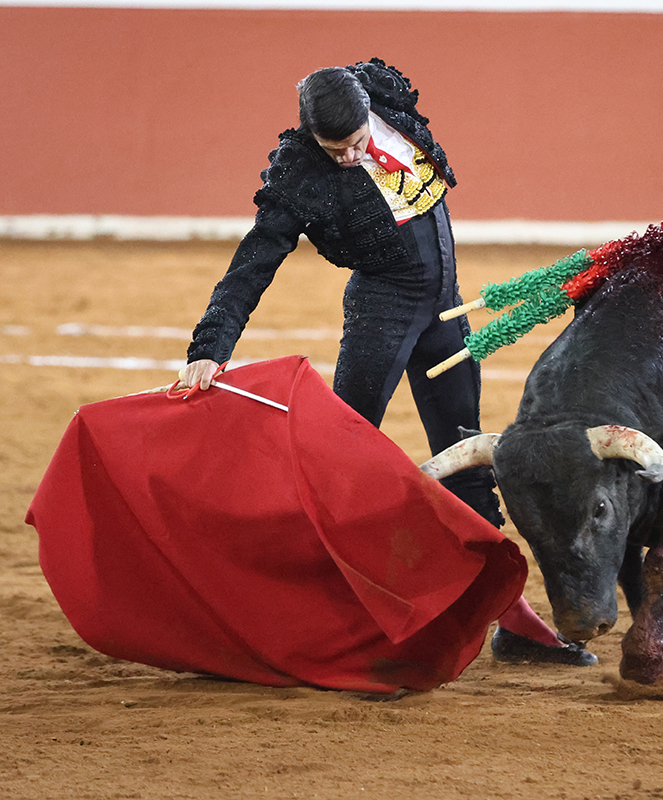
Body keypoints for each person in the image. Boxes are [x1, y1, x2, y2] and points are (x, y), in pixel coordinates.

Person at [180, 58, 594, 667]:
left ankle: (514, 620)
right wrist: (210, 347)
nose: (349, 155)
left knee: (469, 457)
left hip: (445, 312)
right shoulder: (301, 173)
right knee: (344, 461)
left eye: (355, 142)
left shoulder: (389, 105)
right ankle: (308, 613)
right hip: (383, 313)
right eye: (334, 147)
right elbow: (254, 260)